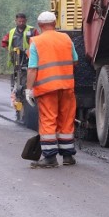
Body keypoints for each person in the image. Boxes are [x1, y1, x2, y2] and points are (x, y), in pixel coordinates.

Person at [24, 11, 78, 168]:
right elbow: (75, 61)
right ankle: (68, 156)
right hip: (67, 87)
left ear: (40, 26)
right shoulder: (66, 39)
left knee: (49, 121)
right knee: (66, 121)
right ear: (55, 24)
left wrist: (29, 90)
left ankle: (50, 158)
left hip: (47, 89)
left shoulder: (36, 42)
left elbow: (32, 69)